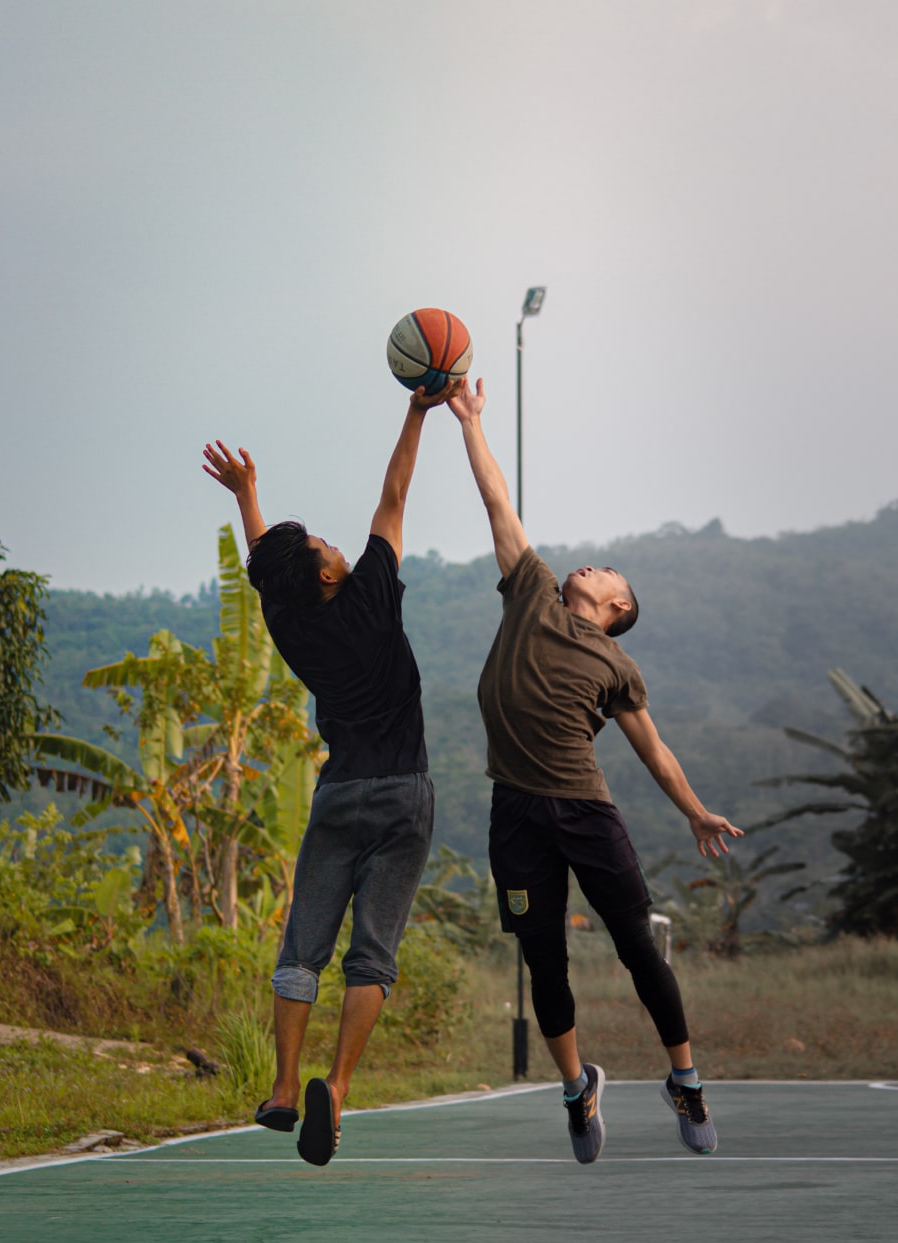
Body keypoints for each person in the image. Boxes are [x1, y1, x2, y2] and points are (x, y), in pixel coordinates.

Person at [447, 376, 743, 1165]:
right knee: (544, 959)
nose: (593, 567)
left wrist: (695, 811)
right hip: (514, 812)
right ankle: (579, 1091)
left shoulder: (619, 664)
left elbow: (653, 749)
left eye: (608, 572)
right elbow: (497, 504)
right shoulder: (531, 593)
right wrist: (472, 422)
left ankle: (684, 1079)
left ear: (617, 607)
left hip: (583, 810)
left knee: (638, 949)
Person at [202, 379, 458, 1167]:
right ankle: (338, 1090)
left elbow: (266, 570)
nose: (336, 545)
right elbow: (395, 489)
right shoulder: (372, 591)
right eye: (322, 547)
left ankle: (283, 1089)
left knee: (300, 951)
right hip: (404, 798)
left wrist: (249, 498)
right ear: (323, 573)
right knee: (371, 955)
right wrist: (418, 409)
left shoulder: (290, 622)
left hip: (341, 795)